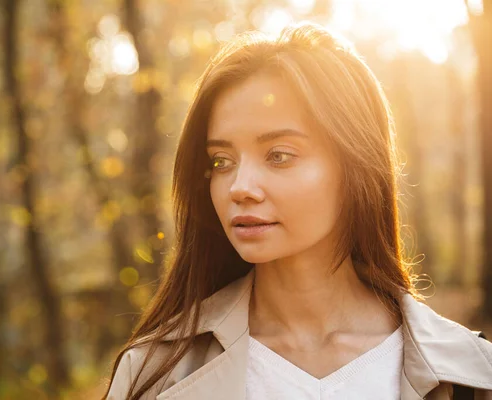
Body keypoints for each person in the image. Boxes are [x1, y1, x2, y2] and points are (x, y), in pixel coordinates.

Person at [102, 22, 492, 400]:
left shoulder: (470, 376)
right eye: (221, 161)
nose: (240, 187)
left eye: (279, 155)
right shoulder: (153, 374)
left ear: (356, 165)